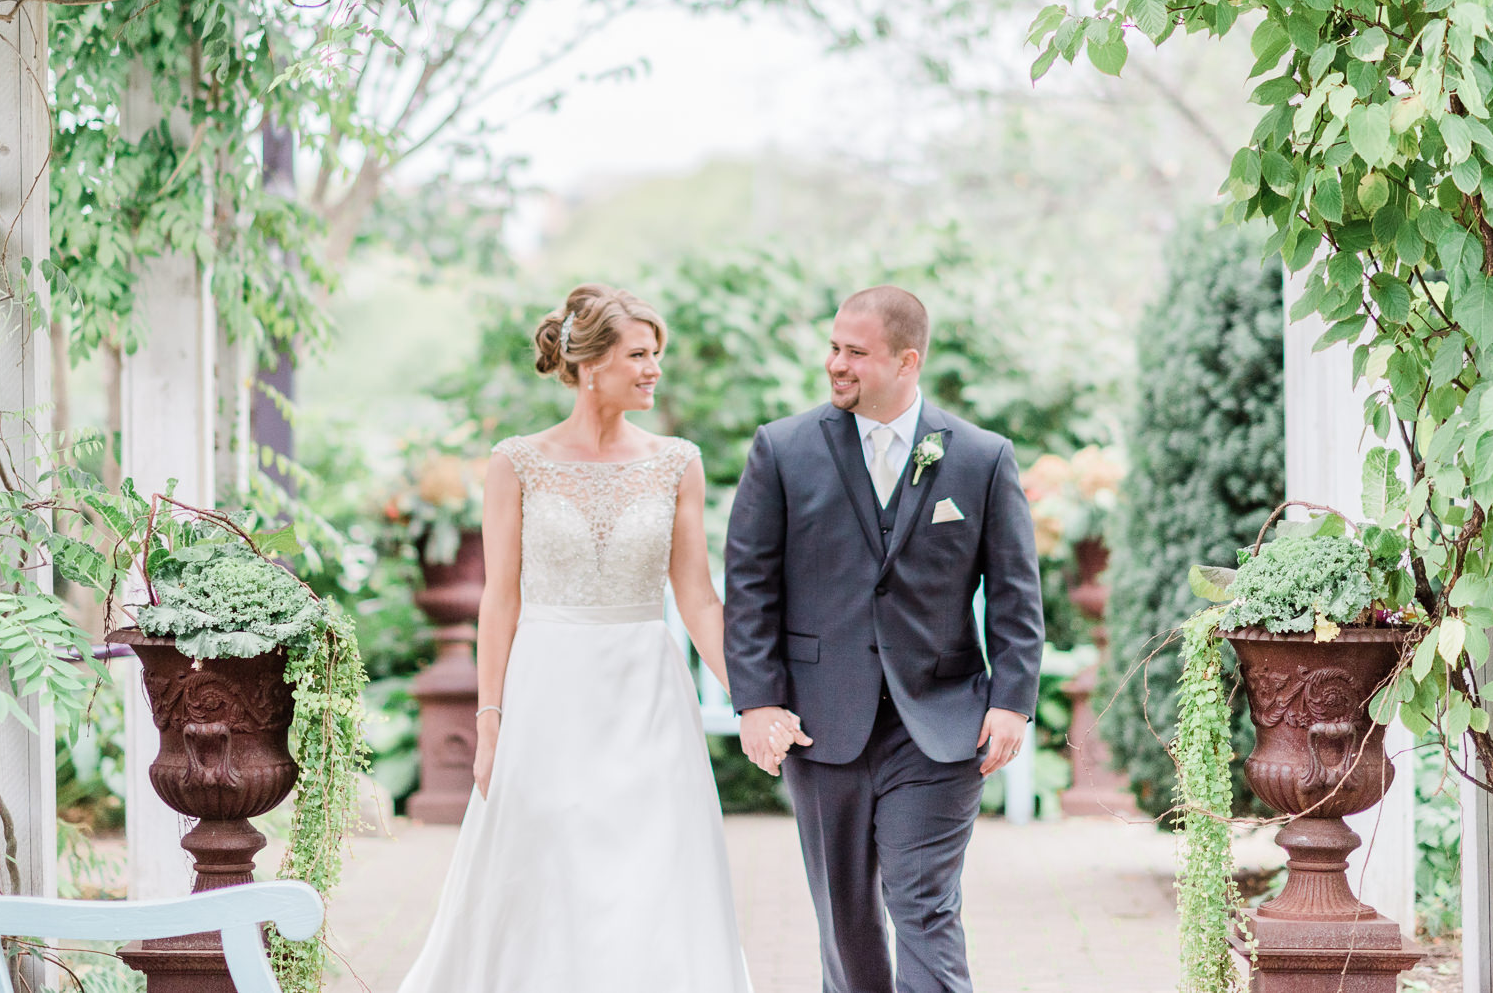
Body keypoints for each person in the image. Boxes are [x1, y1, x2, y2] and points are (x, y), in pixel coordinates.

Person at [398, 283, 782, 993]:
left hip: (645, 693)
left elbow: (698, 599)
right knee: (552, 865)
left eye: (656, 354)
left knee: (650, 872)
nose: (653, 369)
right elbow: (500, 600)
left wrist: (757, 699)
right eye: (639, 354)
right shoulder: (516, 462)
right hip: (548, 692)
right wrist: (490, 721)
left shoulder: (678, 462)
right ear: (590, 363)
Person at [724, 285, 1046, 993]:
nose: (835, 363)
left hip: (940, 720)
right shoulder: (781, 450)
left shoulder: (982, 459)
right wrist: (757, 701)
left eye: (855, 353)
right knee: (845, 918)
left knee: (925, 907)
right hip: (819, 721)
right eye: (834, 347)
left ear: (907, 361)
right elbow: (750, 588)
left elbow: (1017, 595)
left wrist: (1012, 700)